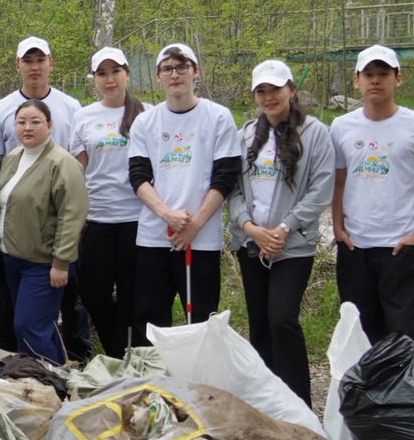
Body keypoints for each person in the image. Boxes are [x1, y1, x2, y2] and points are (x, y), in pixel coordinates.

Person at [228, 60, 335, 406]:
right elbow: (234, 190)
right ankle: (267, 399)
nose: (269, 97)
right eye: (262, 90)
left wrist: (283, 229)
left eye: (275, 89)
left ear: (291, 90)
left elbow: (321, 189)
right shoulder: (244, 135)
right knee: (259, 322)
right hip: (251, 243)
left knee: (282, 318)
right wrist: (250, 228)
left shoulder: (315, 132)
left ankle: (297, 401)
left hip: (293, 245)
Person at [331, 44, 414, 344]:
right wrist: (337, 227)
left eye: (383, 73)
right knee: (361, 337)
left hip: (401, 247)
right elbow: (338, 181)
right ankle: (366, 391)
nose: (375, 81)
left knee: (408, 338)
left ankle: (409, 392)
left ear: (398, 78)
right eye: (368, 74)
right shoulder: (342, 126)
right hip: (356, 247)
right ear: (356, 80)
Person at [0, 35, 90, 358]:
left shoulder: (64, 151)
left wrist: (61, 260)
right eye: (22, 122)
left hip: (46, 259)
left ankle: (53, 379)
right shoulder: (14, 153)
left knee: (32, 324)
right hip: (14, 254)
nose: (27, 127)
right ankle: (39, 373)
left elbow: (72, 211)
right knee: (29, 323)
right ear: (18, 65)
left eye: (39, 60)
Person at [127, 43, 241, 342]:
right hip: (155, 237)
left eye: (182, 67)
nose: (175, 74)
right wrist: (167, 214)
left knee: (201, 319)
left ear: (195, 72)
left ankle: (201, 382)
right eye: (167, 68)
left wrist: (194, 226)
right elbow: (138, 177)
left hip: (200, 239)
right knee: (149, 319)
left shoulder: (218, 117)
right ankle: (152, 383)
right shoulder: (145, 121)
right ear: (158, 77)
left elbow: (225, 178)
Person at [69, 46, 144, 359]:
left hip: (137, 219)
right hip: (98, 218)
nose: (109, 79)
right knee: (93, 292)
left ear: (126, 74)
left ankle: (126, 356)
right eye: (102, 73)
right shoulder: (84, 116)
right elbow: (79, 169)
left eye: (115, 71)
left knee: (131, 293)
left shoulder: (147, 113)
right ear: (95, 79)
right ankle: (116, 350)